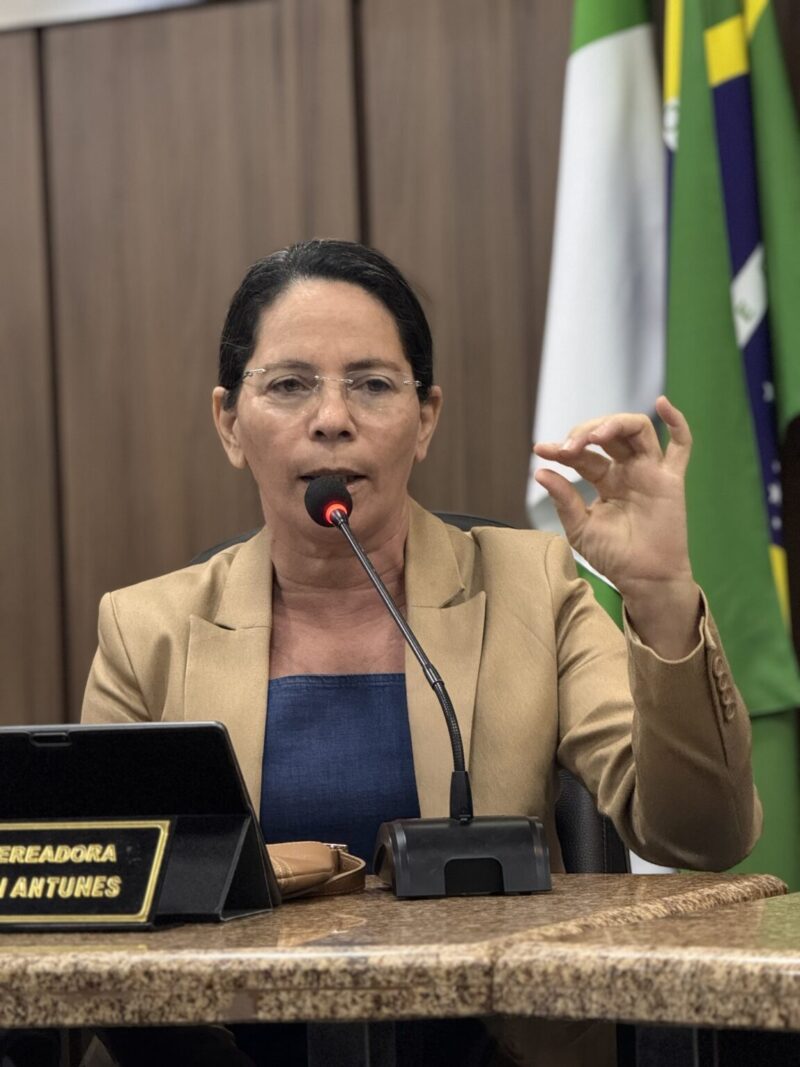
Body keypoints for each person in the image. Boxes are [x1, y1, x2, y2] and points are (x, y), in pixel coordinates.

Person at [82, 239, 760, 1066]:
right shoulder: (144, 631)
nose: (332, 417)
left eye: (371, 384)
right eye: (290, 384)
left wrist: (660, 593)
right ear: (230, 422)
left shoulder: (533, 588)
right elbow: (99, 911)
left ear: (426, 418)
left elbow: (705, 835)